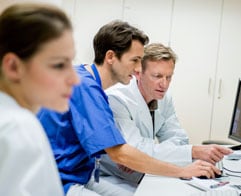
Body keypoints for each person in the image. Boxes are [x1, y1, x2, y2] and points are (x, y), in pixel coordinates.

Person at [37, 20, 219, 196]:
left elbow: (109, 148)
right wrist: (181, 171)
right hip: (58, 182)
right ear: (110, 57)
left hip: (82, 175)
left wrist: (131, 158)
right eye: (135, 60)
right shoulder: (85, 87)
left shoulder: (87, 81)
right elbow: (120, 154)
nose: (139, 68)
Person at [100, 43, 233, 193]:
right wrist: (191, 152)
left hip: (145, 170)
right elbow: (136, 150)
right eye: (157, 76)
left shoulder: (164, 98)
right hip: (114, 176)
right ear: (138, 73)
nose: (164, 84)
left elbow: (179, 139)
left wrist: (148, 153)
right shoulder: (117, 99)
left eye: (168, 77)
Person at [0, 3, 80, 196]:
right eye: (59, 65)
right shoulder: (18, 126)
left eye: (71, 62)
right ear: (13, 67)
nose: (75, 79)